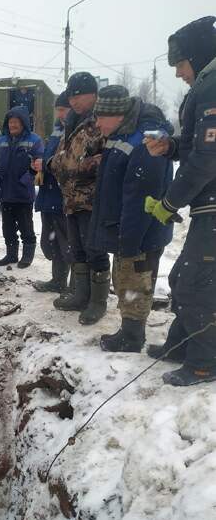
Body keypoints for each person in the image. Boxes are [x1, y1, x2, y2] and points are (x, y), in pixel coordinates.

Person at [144, 15, 216, 385]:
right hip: (208, 204)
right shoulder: (204, 86)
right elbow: (197, 148)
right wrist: (170, 147)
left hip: (213, 203)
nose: (177, 73)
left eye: (180, 64)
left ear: (199, 56)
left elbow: (208, 157)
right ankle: (182, 345)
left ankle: (205, 362)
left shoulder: (212, 87)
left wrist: (170, 201)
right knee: (184, 276)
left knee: (196, 283)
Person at [88, 85, 174, 352]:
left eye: (101, 116)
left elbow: (140, 197)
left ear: (117, 114)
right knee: (126, 279)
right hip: (127, 227)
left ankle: (133, 337)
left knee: (136, 280)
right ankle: (129, 330)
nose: (97, 122)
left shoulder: (145, 140)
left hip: (140, 232)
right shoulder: (121, 133)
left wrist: (130, 240)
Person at [50, 71, 109, 324]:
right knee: (77, 249)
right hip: (70, 198)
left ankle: (98, 302)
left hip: (91, 199)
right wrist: (55, 163)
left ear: (93, 95)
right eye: (71, 95)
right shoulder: (71, 122)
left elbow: (108, 157)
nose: (73, 101)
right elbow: (63, 154)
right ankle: (81, 294)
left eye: (79, 95)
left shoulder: (100, 120)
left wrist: (86, 165)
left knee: (94, 250)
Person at [0, 105, 44, 268]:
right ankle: (11, 255)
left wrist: (26, 179)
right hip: (6, 193)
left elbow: (39, 164)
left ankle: (27, 256)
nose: (12, 125)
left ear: (23, 123)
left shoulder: (34, 140)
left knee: (26, 228)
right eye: (10, 122)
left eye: (16, 122)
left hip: (23, 194)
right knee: (8, 229)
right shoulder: (1, 141)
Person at [33, 91, 72, 292]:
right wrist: (41, 165)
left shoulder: (76, 130)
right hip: (49, 196)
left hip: (63, 198)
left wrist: (46, 165)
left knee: (68, 245)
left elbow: (67, 163)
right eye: (57, 110)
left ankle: (76, 287)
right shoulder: (58, 130)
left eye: (63, 110)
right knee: (52, 244)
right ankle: (58, 280)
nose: (59, 114)